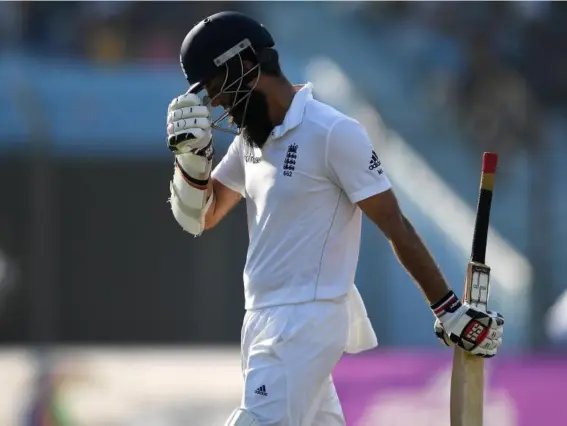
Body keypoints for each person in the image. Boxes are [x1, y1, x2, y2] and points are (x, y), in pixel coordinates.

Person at [166, 11, 505, 426]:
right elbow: (204, 215)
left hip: (305, 318)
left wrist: (448, 308)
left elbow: (394, 224)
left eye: (217, 87)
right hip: (262, 317)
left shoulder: (332, 131)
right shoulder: (251, 143)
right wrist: (191, 162)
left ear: (247, 64)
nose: (216, 102)